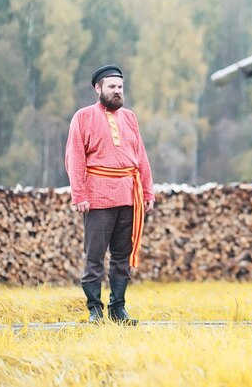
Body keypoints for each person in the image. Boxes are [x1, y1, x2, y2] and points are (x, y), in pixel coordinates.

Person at [65, 64, 155, 325]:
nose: (117, 91)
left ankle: (118, 309)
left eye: (120, 87)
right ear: (98, 88)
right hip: (97, 197)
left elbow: (141, 157)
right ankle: (95, 309)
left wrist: (148, 190)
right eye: (112, 87)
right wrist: (79, 194)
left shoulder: (130, 117)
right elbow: (75, 157)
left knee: (121, 256)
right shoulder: (82, 117)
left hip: (129, 196)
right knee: (94, 257)